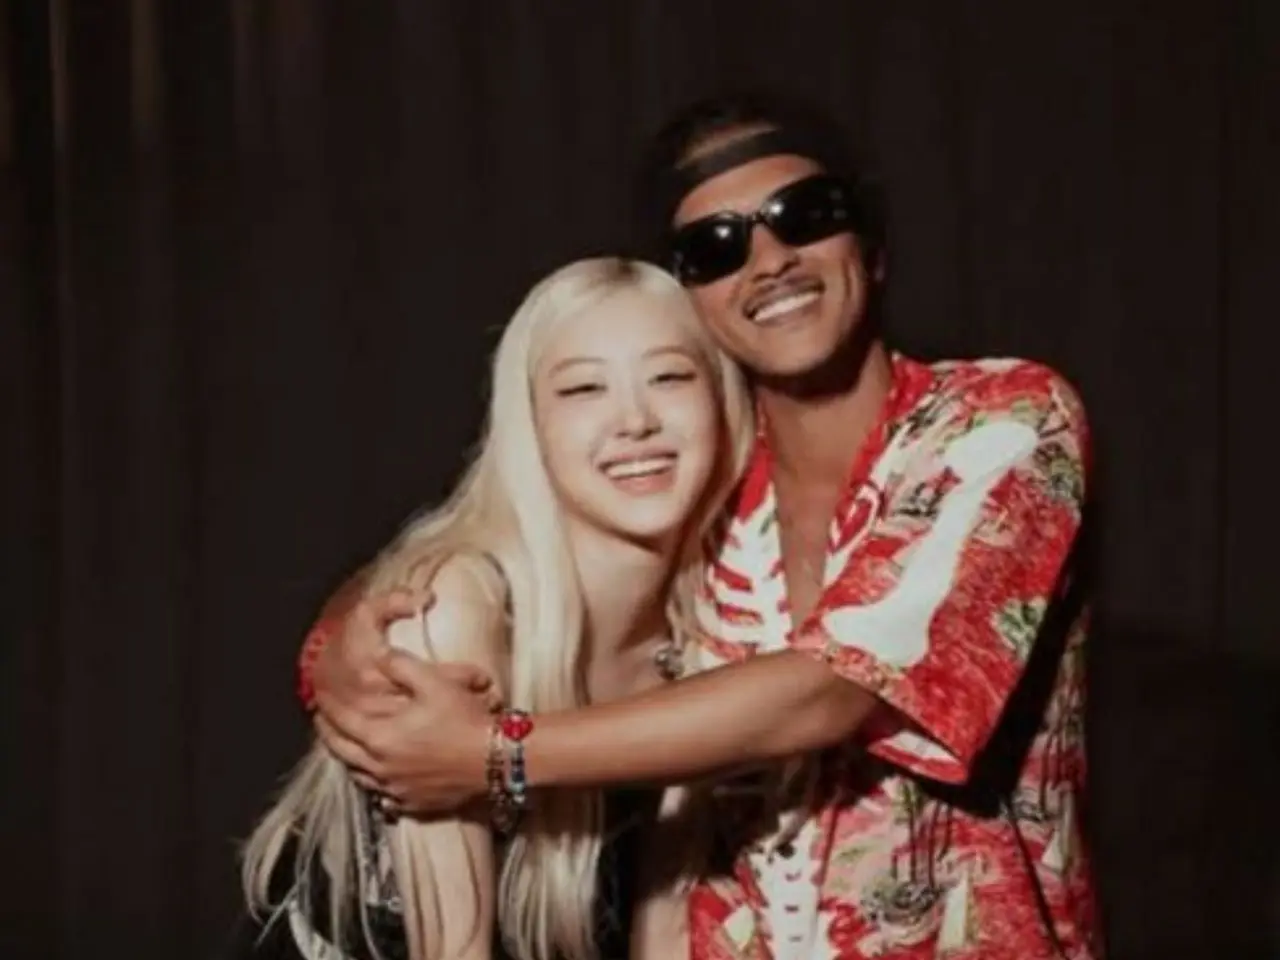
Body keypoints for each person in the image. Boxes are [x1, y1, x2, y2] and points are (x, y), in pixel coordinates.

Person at [308, 92, 1100, 960]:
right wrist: (341, 647)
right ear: (693, 306)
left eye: (805, 215)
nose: (769, 260)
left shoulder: (1001, 423)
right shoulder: (696, 482)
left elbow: (835, 689)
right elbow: (489, 543)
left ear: (871, 249)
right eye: (715, 247)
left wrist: (495, 755)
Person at [228, 257, 753, 960]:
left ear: (722, 400)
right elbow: (456, 949)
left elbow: (663, 928)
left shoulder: (718, 619)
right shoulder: (454, 610)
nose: (635, 420)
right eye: (584, 388)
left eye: (670, 377)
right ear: (528, 425)